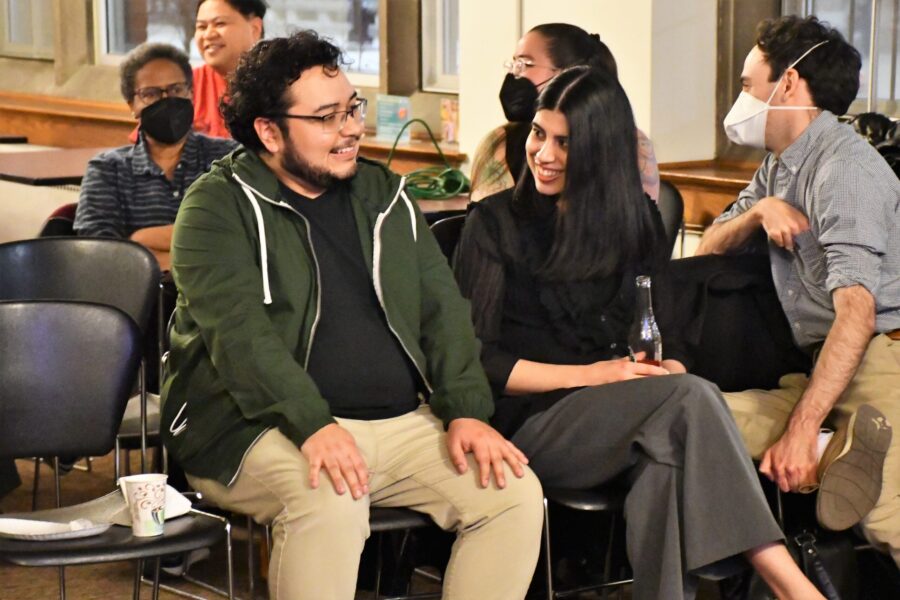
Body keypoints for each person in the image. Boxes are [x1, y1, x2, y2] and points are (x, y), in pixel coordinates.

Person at [159, 31, 543, 600]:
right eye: (326, 117)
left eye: (352, 109)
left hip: (395, 423)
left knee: (511, 491)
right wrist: (313, 423)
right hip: (253, 427)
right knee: (329, 498)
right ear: (268, 130)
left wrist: (465, 410)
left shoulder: (385, 194)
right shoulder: (216, 208)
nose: (350, 128)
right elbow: (240, 339)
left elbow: (443, 311)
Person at [455, 65, 826, 600]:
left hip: (632, 414)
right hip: (527, 424)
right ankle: (789, 582)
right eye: (539, 134)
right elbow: (477, 360)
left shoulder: (638, 223)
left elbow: (664, 334)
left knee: (666, 464)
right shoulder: (494, 224)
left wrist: (664, 365)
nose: (544, 153)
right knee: (690, 399)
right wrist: (597, 375)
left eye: (565, 141)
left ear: (602, 149)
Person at [695, 15, 899, 566]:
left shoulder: (846, 170)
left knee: (888, 513)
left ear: (786, 82)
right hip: (818, 366)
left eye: (746, 85)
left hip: (879, 356)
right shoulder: (778, 168)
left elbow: (857, 315)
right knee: (696, 421)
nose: (741, 100)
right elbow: (706, 250)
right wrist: (759, 211)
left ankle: (825, 445)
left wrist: (802, 424)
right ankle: (834, 453)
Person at [74, 43, 237, 271]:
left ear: (190, 92)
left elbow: (240, 239)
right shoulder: (107, 169)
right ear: (132, 104)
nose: (166, 100)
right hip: (137, 301)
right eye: (150, 94)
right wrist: (198, 262)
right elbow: (101, 253)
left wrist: (141, 239)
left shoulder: (229, 157)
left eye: (176, 89)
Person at [469, 23, 659, 202]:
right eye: (539, 134)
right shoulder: (501, 141)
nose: (514, 74)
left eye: (525, 64)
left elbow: (633, 225)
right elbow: (487, 223)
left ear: (569, 74)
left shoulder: (631, 142)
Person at [192, 0, 265, 137]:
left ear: (255, 29)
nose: (208, 34)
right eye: (201, 27)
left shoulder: (284, 84)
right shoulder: (184, 85)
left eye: (220, 23)